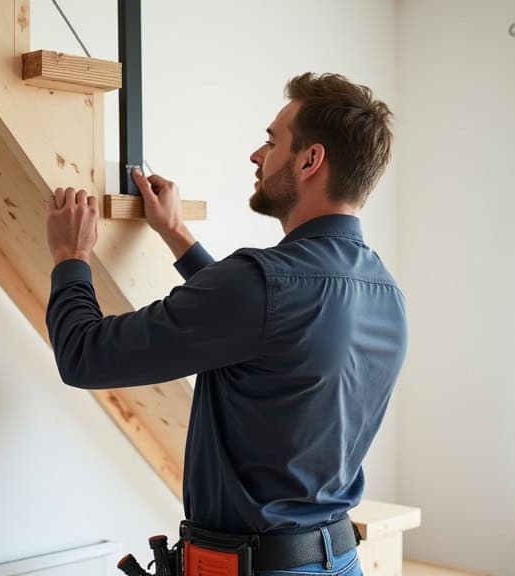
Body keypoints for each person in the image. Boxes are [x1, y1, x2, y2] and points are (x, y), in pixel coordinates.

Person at [44, 72, 406, 576]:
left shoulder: (261, 284)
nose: (257, 156)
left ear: (310, 160)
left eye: (271, 141)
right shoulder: (385, 291)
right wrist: (175, 233)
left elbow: (83, 356)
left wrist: (71, 256)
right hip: (340, 559)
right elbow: (268, 324)